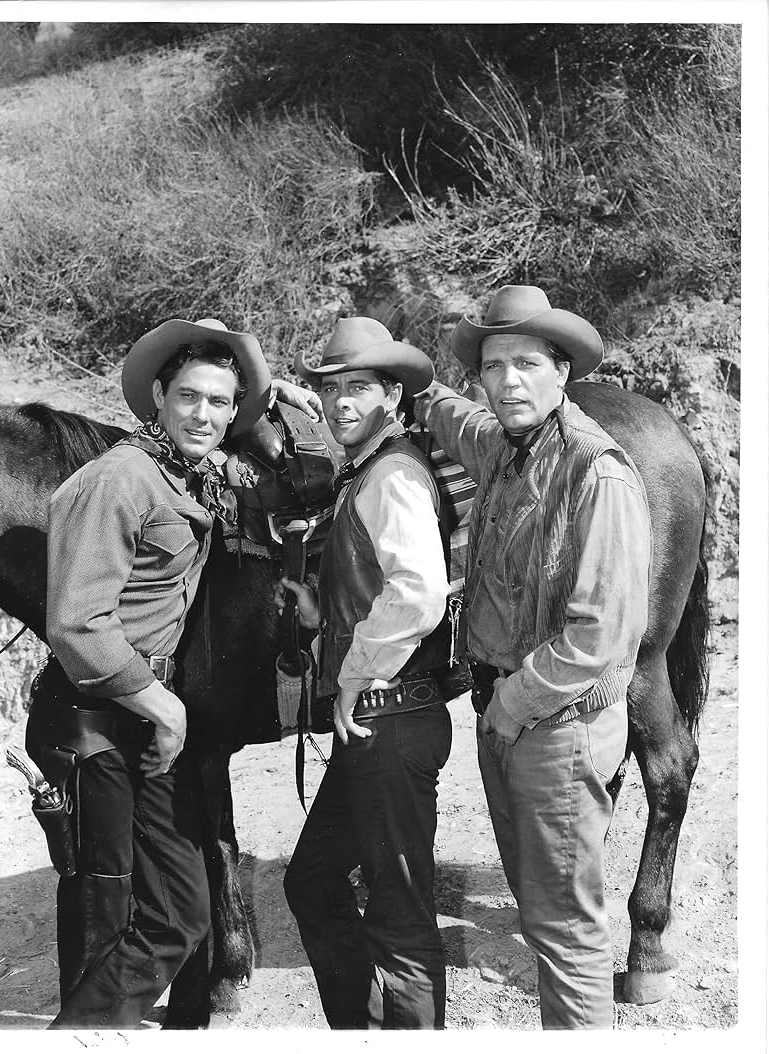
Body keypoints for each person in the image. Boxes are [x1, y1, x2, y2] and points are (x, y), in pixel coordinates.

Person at [26, 316, 321, 1030]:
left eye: (219, 403)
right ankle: (87, 1033)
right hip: (96, 715)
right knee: (107, 907)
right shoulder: (118, 479)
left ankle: (91, 1028)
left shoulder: (182, 471)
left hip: (143, 714)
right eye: (189, 397)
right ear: (158, 396)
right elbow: (77, 622)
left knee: (183, 911)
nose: (205, 414)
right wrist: (163, 706)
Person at [413, 285, 651, 1030]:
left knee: (565, 930)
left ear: (561, 372)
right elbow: (457, 422)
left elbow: (598, 634)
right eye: (494, 367)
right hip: (509, 715)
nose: (509, 381)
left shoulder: (595, 472)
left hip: (553, 725)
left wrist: (512, 704)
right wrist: (411, 393)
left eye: (525, 364)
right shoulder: (507, 446)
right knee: (539, 904)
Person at [275, 317, 452, 1029]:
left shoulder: (394, 474)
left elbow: (418, 591)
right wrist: (327, 614)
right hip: (376, 724)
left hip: (392, 719)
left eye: (361, 388)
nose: (342, 402)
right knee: (312, 884)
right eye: (332, 388)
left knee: (400, 921)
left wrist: (353, 672)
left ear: (393, 397)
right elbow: (380, 586)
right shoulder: (367, 472)